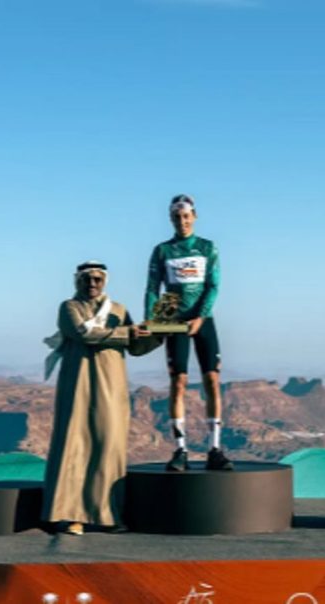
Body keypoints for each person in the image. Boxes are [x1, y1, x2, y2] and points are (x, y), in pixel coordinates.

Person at [42, 261, 159, 535]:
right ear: (78, 281)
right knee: (76, 443)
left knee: (110, 445)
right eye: (87, 279)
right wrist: (127, 332)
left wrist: (157, 332)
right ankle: (72, 515)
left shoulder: (119, 310)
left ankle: (108, 515)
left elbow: (135, 346)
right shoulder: (69, 308)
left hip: (112, 386)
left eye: (98, 279)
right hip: (78, 383)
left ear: (104, 281)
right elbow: (85, 334)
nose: (92, 284)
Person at [145, 194, 232, 472]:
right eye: (176, 217)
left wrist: (201, 316)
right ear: (171, 219)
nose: (182, 221)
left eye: (186, 216)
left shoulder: (207, 247)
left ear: (194, 217)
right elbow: (152, 288)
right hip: (173, 318)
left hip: (202, 319)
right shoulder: (162, 250)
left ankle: (215, 449)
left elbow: (213, 285)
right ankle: (180, 450)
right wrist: (152, 320)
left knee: (212, 380)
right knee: (178, 381)